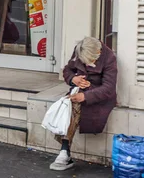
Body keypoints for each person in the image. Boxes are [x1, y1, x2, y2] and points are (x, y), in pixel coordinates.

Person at [50, 37, 118, 170]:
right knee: (68, 105)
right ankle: (65, 151)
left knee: (75, 106)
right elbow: (67, 70)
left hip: (98, 97)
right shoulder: (79, 51)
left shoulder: (109, 57)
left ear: (98, 53)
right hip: (79, 91)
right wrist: (73, 79)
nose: (87, 65)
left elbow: (108, 89)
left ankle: (64, 151)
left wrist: (85, 96)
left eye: (90, 62)